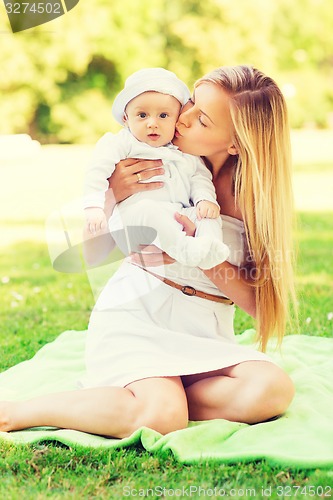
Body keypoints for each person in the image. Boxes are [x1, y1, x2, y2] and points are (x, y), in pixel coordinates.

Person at [0, 65, 296, 438]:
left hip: (204, 331)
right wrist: (113, 196)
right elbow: (87, 250)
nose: (182, 119)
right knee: (161, 416)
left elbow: (261, 306)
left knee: (273, 390)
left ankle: (162, 394)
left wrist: (202, 257)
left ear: (236, 143)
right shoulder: (149, 161)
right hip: (137, 317)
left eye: (201, 119)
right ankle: (14, 412)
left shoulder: (253, 198)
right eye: (190, 103)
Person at [84, 67, 229, 269]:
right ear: (126, 119)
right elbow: (97, 171)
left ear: (176, 118)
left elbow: (199, 176)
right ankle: (185, 250)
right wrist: (94, 206)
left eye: (163, 115)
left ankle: (209, 246)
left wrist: (205, 199)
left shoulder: (183, 150)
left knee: (206, 215)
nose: (152, 123)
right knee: (147, 210)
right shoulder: (122, 143)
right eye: (142, 115)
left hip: (177, 213)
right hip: (136, 216)